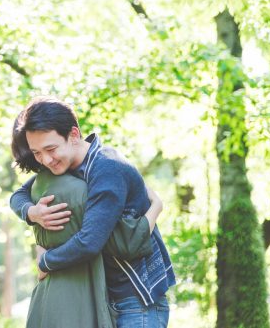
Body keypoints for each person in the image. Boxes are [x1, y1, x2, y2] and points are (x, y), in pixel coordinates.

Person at [10, 96, 175, 328]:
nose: (45, 160)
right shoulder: (65, 166)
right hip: (101, 297)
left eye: (50, 149)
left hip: (136, 299)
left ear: (74, 135)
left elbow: (89, 241)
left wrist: (44, 262)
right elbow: (18, 195)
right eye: (37, 153)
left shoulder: (107, 168)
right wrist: (31, 213)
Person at [26, 169, 164, 328]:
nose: (51, 160)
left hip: (133, 300)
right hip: (125, 299)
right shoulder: (85, 188)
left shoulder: (39, 188)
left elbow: (18, 194)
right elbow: (126, 243)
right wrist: (156, 206)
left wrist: (45, 260)